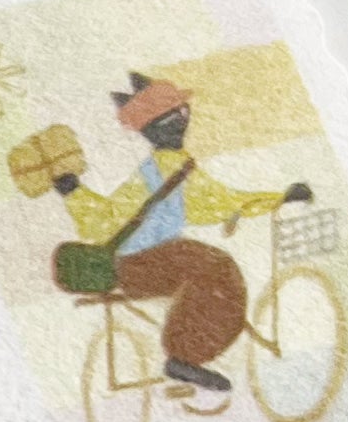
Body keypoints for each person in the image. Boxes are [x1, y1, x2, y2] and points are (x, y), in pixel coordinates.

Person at [51, 72, 309, 397]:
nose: (180, 120)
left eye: (180, 112)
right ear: (149, 129)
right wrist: (74, 193)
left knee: (209, 266)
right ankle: (184, 356)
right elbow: (109, 220)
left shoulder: (174, 166)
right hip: (136, 264)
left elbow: (215, 203)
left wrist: (277, 199)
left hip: (153, 258)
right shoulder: (163, 169)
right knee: (215, 270)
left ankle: (189, 351)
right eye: (169, 117)